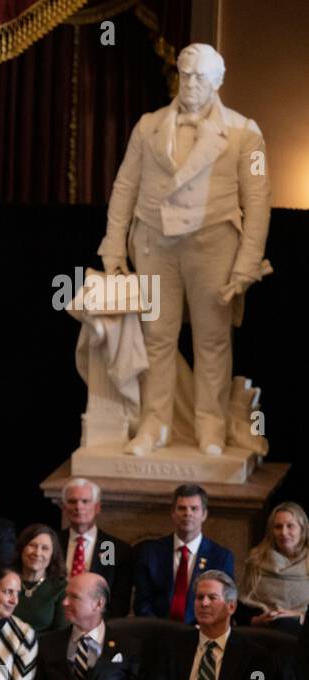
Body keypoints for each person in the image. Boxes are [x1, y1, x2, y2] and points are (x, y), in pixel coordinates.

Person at [99, 43, 271, 457]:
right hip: (154, 242)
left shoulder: (245, 132)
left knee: (212, 339)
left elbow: (259, 200)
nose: (190, 84)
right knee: (156, 336)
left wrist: (247, 263)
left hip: (214, 244)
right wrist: (113, 246)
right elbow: (125, 186)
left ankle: (210, 425)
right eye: (185, 74)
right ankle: (155, 423)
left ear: (218, 81)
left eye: (200, 77)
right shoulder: (148, 126)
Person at [133, 484, 235, 624]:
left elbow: (222, 604)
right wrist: (157, 629)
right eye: (182, 508)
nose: (188, 513)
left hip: (201, 633)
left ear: (204, 514)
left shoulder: (221, 557)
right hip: (157, 632)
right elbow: (142, 602)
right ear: (173, 514)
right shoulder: (151, 552)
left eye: (194, 508)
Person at [58, 477, 133, 618]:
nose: (78, 507)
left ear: (97, 507)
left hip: (96, 622)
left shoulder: (108, 547)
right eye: (72, 501)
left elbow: (115, 597)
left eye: (85, 501)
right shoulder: (52, 543)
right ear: (64, 508)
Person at [237, 501, 309, 632]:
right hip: (261, 634)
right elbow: (241, 608)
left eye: (290, 526)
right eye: (278, 527)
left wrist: (300, 616)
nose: (284, 532)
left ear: (302, 529)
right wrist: (256, 621)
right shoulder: (255, 561)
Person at [14, 523, 69, 635]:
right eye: (32, 545)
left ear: (52, 554)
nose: (37, 553)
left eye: (45, 548)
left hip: (43, 649)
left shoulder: (61, 588)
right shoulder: (6, 581)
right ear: (22, 548)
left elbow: (60, 633)